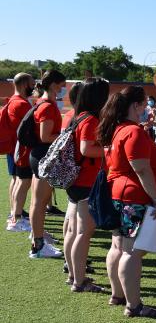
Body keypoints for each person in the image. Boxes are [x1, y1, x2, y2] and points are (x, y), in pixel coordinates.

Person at [98, 86, 156, 318]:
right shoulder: (132, 132)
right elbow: (141, 169)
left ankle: (118, 295)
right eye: (145, 103)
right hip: (134, 197)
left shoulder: (117, 129)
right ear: (136, 105)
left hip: (120, 194)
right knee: (132, 252)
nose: (147, 108)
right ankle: (134, 305)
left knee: (118, 247)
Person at [63, 77, 110, 292]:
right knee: (82, 233)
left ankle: (74, 275)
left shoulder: (78, 116)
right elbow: (86, 149)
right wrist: (111, 151)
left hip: (76, 180)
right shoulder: (90, 119)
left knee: (73, 231)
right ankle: (79, 281)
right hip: (86, 181)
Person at [26, 70, 66, 259]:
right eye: (61, 85)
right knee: (40, 203)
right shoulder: (47, 106)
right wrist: (67, 136)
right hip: (43, 156)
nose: (63, 88)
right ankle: (38, 245)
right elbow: (45, 136)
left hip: (40, 156)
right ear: (52, 85)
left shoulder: (42, 103)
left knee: (38, 202)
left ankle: (37, 239)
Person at [4, 73, 35, 233]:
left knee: (17, 180)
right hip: (22, 149)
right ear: (24, 85)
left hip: (15, 148)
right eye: (32, 84)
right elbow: (28, 129)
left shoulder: (13, 101)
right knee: (23, 182)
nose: (34, 87)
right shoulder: (21, 104)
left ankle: (14, 215)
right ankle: (17, 217)